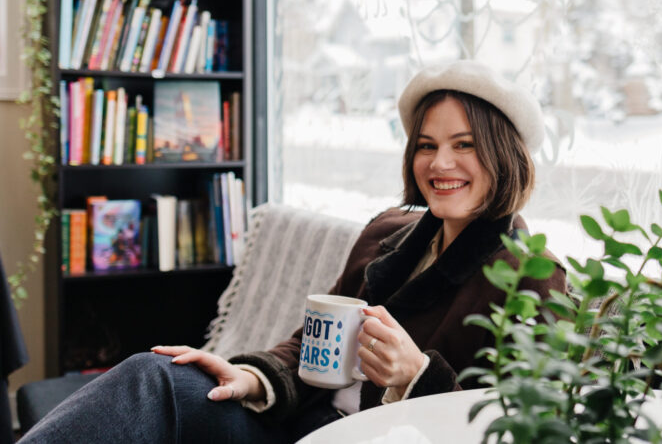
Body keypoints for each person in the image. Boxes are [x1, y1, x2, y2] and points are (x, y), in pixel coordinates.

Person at [18, 60, 566, 443]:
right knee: (152, 375)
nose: (439, 164)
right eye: (427, 145)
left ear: (503, 154)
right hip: (295, 420)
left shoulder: (533, 278)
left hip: (364, 439)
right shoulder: (387, 234)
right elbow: (315, 345)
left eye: (463, 145)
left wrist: (417, 375)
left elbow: (512, 427)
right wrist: (249, 376)